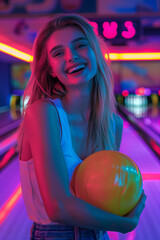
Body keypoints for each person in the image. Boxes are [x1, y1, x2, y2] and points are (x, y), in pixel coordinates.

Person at [16, 14, 147, 240]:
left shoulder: (112, 124)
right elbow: (57, 207)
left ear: (96, 52)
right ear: (50, 69)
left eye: (80, 46)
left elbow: (108, 197)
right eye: (58, 53)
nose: (72, 57)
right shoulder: (43, 113)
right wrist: (124, 224)